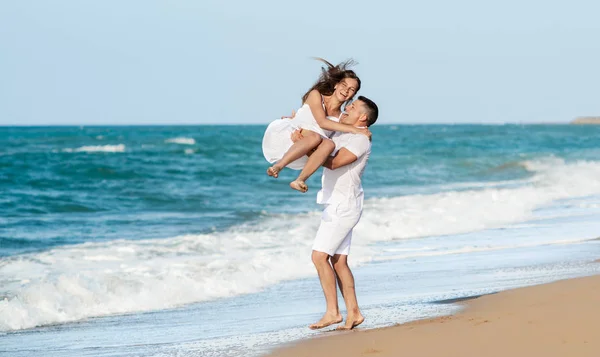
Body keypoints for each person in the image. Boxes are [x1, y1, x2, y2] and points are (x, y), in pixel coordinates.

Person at [293, 96, 378, 330]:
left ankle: (332, 312)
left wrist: (312, 154)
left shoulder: (360, 139)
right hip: (338, 203)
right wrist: (295, 126)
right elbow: (319, 123)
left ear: (363, 117)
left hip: (344, 205)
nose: (346, 107)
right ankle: (355, 313)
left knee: (319, 257)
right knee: (339, 261)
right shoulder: (343, 132)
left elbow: (334, 163)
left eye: (352, 107)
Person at [262, 59, 370, 193]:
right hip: (292, 136)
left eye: (351, 89)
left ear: (353, 94)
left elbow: (359, 123)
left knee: (329, 144)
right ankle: (278, 166)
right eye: (344, 85)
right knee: (314, 136)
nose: (346, 90)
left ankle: (300, 180)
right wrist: (355, 130)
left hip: (307, 147)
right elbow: (322, 122)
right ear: (336, 85)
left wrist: (363, 132)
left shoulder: (342, 117)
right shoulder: (316, 95)